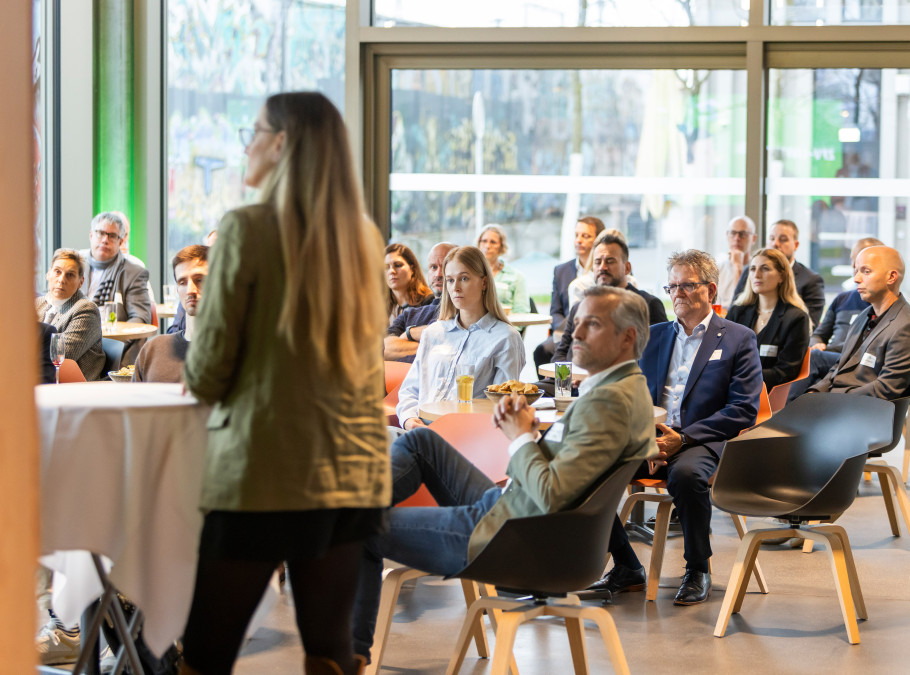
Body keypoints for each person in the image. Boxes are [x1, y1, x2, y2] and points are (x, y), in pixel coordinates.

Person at [181, 92, 391, 675]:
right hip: (352, 467)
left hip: (262, 468)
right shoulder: (364, 239)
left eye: (252, 131)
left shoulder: (246, 229)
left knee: (206, 652)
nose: (245, 144)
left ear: (280, 143)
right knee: (329, 650)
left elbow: (209, 372)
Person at [353, 286, 658, 659]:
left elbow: (549, 494)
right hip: (514, 509)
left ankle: (349, 657)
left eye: (591, 325)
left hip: (516, 536)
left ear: (627, 337)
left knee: (361, 528)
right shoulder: (622, 388)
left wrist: (521, 437)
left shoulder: (609, 403)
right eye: (576, 322)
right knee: (422, 444)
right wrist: (527, 433)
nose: (574, 334)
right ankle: (345, 507)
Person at [583, 249, 762, 606]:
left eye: (687, 285)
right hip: (650, 436)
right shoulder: (654, 335)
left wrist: (685, 438)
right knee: (584, 470)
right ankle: (626, 566)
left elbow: (744, 409)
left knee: (687, 476)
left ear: (710, 289)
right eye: (672, 286)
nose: (678, 293)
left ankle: (698, 568)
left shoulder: (738, 338)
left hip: (704, 438)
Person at [396, 245, 525, 430]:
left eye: (464, 278)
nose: (455, 287)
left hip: (464, 435)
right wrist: (409, 420)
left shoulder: (505, 339)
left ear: (484, 282)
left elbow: (503, 407)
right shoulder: (434, 333)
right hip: (419, 430)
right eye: (449, 280)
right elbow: (410, 389)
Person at [539, 233, 667, 395]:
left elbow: (654, 360)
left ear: (627, 267)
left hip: (613, 388)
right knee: (522, 395)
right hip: (570, 385)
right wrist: (565, 384)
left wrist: (595, 378)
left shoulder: (646, 305)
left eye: (610, 261)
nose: (602, 267)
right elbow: (561, 353)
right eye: (597, 262)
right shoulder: (580, 306)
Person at [807, 245, 910, 400]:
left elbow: (886, 388)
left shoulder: (905, 324)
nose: (856, 279)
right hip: (840, 403)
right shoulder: (863, 316)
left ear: (891, 277)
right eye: (856, 271)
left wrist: (832, 398)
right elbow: (839, 366)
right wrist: (816, 392)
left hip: (863, 412)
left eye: (866, 271)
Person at [788, 237, 884, 400]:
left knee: (815, 359)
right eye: (855, 261)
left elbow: (865, 346)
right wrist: (817, 343)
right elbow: (819, 334)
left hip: (857, 361)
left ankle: (786, 416)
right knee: (816, 374)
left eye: (864, 265)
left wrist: (826, 349)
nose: (856, 268)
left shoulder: (880, 305)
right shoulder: (842, 299)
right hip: (832, 358)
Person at [726, 248, 811, 389]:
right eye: (752, 269)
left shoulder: (796, 318)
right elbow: (723, 356)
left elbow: (784, 373)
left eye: (765, 269)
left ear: (781, 277)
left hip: (766, 394)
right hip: (729, 389)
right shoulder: (737, 312)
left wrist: (739, 377)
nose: (757, 275)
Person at [79, 211, 152, 364]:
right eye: (100, 233)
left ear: (121, 242)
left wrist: (110, 340)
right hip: (78, 337)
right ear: (91, 235)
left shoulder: (134, 273)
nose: (105, 240)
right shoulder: (74, 265)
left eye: (112, 236)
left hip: (114, 345)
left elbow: (140, 318)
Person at [534, 216, 605, 368]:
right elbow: (555, 311)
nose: (578, 240)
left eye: (585, 236)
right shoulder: (561, 271)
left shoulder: (607, 269)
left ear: (598, 239)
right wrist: (569, 331)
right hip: (566, 332)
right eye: (576, 235)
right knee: (542, 351)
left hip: (598, 331)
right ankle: (553, 387)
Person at [132, 245, 208, 383]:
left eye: (199, 280)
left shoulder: (240, 354)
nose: (190, 290)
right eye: (182, 282)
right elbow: (133, 404)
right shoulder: (152, 350)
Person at [732, 219, 825, 326]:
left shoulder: (811, 280)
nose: (775, 244)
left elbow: (809, 326)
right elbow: (735, 310)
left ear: (796, 245)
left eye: (783, 239)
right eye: (771, 238)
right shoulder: (750, 271)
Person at [35, 248, 105, 381]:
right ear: (48, 274)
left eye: (70, 275)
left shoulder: (86, 309)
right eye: (57, 272)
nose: (61, 280)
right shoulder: (37, 304)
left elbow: (58, 357)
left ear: (81, 282)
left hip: (74, 389)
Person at [384, 242, 457, 363]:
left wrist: (408, 334)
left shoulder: (466, 312)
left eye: (444, 266)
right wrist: (427, 344)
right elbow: (383, 348)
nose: (438, 274)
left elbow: (452, 341)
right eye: (433, 267)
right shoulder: (409, 314)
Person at [476, 224, 530, 313]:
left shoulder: (517, 277)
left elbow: (522, 312)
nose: (487, 246)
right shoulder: (470, 273)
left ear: (502, 246)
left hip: (507, 325)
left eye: (493, 242)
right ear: (479, 243)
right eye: (484, 241)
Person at [384, 243, 434, 324]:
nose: (391, 271)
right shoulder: (381, 307)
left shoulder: (428, 302)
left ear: (412, 269)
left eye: (398, 265)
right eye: (386, 267)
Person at [716, 215, 757, 309]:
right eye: (733, 233)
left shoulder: (757, 269)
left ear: (753, 238)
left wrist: (738, 267)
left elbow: (742, 307)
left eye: (743, 234)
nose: (737, 238)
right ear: (727, 236)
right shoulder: (717, 269)